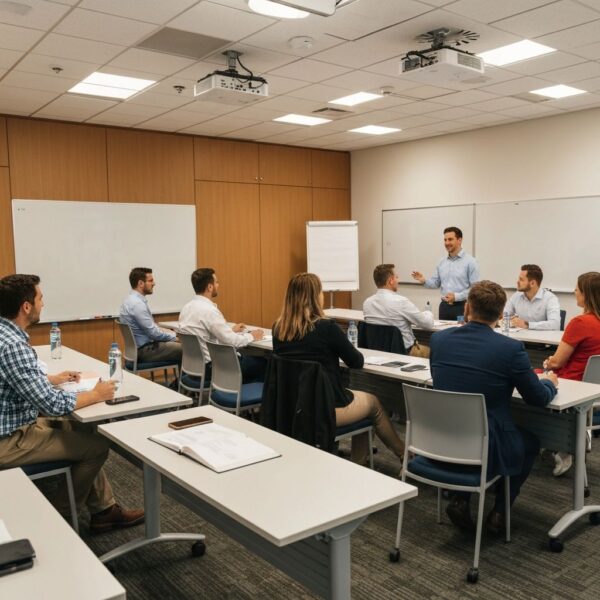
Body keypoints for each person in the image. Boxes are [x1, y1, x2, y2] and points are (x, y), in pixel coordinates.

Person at [0, 274, 144, 531]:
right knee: (97, 447)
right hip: (9, 440)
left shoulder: (4, 334)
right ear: (26, 306)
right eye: (40, 298)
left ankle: (104, 510)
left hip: (15, 424)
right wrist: (96, 394)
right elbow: (52, 405)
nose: (43, 303)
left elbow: (13, 377)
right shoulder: (13, 346)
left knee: (78, 427)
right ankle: (57, 520)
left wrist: (50, 379)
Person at [429, 280, 558, 534]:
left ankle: (461, 498)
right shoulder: (510, 349)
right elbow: (537, 398)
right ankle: (500, 511)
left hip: (443, 435)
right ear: (501, 315)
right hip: (487, 441)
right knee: (530, 442)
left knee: (471, 425)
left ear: (467, 308)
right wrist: (549, 383)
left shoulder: (439, 339)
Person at [272, 272, 405, 466]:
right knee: (373, 403)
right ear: (315, 296)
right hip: (325, 408)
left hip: (292, 407)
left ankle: (361, 462)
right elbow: (356, 361)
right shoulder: (326, 328)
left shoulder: (278, 329)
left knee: (360, 401)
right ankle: (402, 455)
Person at [545, 272, 600, 476]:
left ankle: (561, 443)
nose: (574, 291)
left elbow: (558, 362)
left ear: (587, 294)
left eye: (577, 288)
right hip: (594, 387)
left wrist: (549, 362)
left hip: (571, 383)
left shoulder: (580, 323)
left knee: (528, 379)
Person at [178, 268, 266, 384]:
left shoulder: (186, 308)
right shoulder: (209, 310)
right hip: (214, 368)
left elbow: (207, 334)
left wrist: (230, 330)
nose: (218, 285)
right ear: (210, 287)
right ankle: (241, 392)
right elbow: (232, 341)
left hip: (194, 368)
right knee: (265, 364)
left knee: (250, 361)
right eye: (216, 282)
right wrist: (252, 336)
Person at [363, 263, 433, 357]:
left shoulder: (367, 303)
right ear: (390, 281)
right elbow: (427, 324)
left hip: (377, 353)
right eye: (396, 277)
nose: (398, 281)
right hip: (405, 353)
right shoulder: (401, 302)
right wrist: (428, 312)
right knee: (436, 353)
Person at [411, 226, 479, 320]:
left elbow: (475, 289)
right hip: (444, 307)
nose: (447, 243)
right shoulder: (441, 262)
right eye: (445, 240)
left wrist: (456, 297)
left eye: (450, 239)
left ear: (459, 240)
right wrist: (424, 280)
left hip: (463, 307)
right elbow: (436, 283)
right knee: (442, 329)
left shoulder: (471, 262)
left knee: (461, 330)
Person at [119, 267, 181, 365]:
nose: (154, 283)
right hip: (144, 351)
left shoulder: (129, 300)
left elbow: (151, 328)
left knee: (179, 343)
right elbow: (154, 334)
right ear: (140, 283)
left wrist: (171, 333)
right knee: (188, 349)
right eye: (150, 281)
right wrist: (175, 337)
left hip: (136, 350)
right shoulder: (137, 304)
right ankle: (185, 376)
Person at [504, 264, 561, 330]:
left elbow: (555, 324)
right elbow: (504, 315)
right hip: (520, 335)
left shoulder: (550, 299)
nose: (517, 282)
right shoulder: (516, 296)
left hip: (540, 336)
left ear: (532, 283)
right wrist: (507, 321)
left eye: (521, 279)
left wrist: (527, 325)